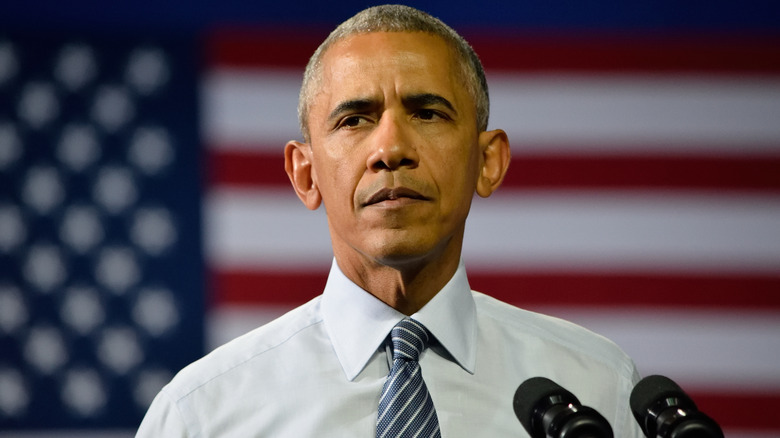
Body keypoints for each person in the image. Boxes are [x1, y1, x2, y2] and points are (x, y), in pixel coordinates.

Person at [137, 5, 644, 437]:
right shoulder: (201, 415)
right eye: (354, 119)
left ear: (488, 162)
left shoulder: (597, 387)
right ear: (305, 174)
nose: (391, 149)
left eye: (427, 113)